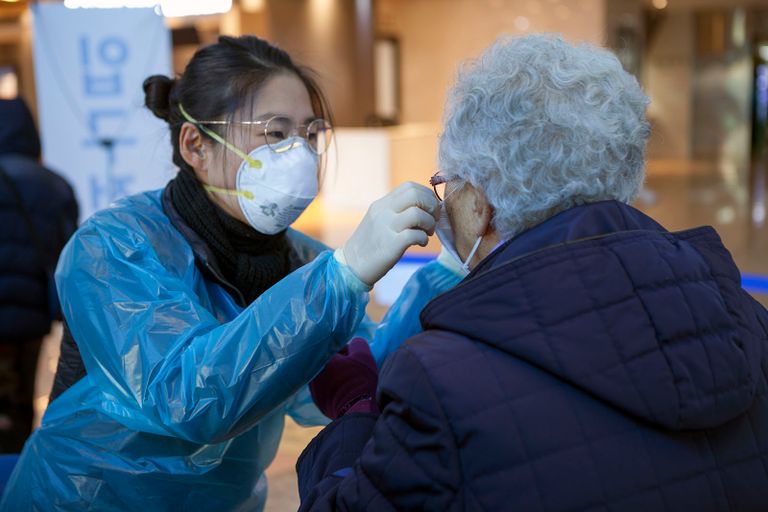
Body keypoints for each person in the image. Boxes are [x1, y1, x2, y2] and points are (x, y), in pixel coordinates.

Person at [298, 34, 768, 511]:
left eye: (447, 185)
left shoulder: (438, 383)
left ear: (480, 205)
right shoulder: (749, 322)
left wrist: (355, 409)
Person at [0, 36, 462, 511]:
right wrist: (341, 276)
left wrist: (450, 268)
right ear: (196, 145)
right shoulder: (115, 247)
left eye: (309, 134)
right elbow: (185, 397)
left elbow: (353, 374)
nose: (300, 154)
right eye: (275, 134)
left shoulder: (300, 261)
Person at [0, 98, 78, 453]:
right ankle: (16, 470)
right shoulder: (53, 184)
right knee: (22, 398)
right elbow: (69, 253)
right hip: (30, 315)